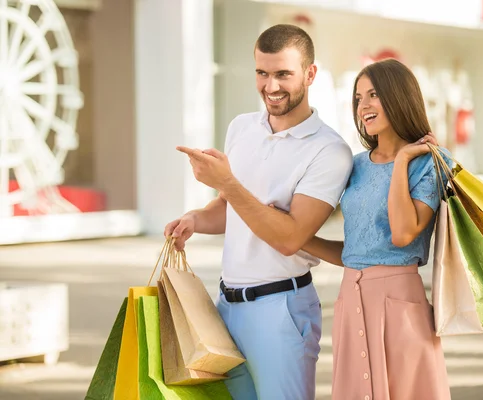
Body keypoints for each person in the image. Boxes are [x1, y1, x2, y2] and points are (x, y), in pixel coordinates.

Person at [165, 24, 353, 400]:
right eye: (262, 73)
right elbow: (228, 207)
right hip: (226, 306)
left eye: (283, 73)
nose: (271, 86)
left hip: (280, 310)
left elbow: (290, 238)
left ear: (310, 74)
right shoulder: (241, 128)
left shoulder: (329, 151)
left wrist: (228, 182)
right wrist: (195, 220)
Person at [299, 58, 452, 400]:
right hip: (350, 297)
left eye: (373, 95)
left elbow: (402, 234)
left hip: (401, 301)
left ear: (398, 97)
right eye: (358, 98)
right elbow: (356, 251)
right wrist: (299, 239)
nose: (363, 105)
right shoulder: (353, 166)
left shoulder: (432, 161)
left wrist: (401, 162)